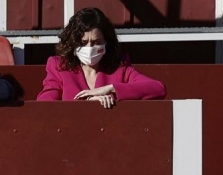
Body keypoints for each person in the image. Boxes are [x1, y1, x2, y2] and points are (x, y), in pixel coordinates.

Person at [36, 7, 166, 108]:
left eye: (96, 42)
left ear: (106, 42)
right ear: (73, 44)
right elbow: (44, 104)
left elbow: (157, 88)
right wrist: (88, 104)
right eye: (83, 42)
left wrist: (110, 88)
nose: (90, 47)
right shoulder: (59, 66)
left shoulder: (119, 66)